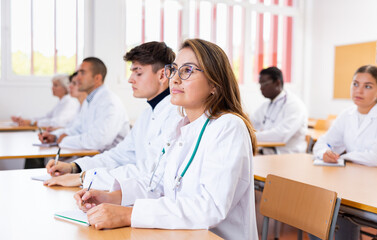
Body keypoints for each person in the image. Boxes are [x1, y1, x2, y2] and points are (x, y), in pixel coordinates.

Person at [73, 39, 258, 240]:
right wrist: (111, 197)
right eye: (174, 70)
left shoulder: (228, 127)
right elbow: (158, 185)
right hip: (177, 233)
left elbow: (209, 207)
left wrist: (129, 214)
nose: (175, 79)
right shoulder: (180, 127)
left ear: (214, 83)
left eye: (187, 70)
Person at [43, 42, 179, 189]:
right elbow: (120, 155)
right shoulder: (147, 114)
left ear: (162, 75)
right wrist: (75, 167)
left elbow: (149, 173)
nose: (130, 79)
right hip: (128, 185)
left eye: (138, 72)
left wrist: (84, 178)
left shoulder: (175, 115)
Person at [312, 65, 377, 240]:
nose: (359, 90)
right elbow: (320, 143)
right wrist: (326, 151)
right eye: (355, 84)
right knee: (318, 210)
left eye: (368, 86)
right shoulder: (347, 114)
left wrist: (342, 157)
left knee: (337, 208)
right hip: (359, 182)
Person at [39, 57, 130, 152]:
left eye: (82, 73)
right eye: (78, 73)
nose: (77, 77)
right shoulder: (89, 100)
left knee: (55, 163)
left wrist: (63, 140)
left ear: (97, 78)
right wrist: (55, 136)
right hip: (92, 156)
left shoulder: (109, 103)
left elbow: (97, 141)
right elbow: (77, 129)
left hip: (110, 162)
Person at [251, 67, 307, 154]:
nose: (261, 88)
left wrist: (252, 136)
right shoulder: (267, 105)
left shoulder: (294, 105)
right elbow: (251, 122)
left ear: (277, 83)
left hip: (287, 155)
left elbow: (280, 136)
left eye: (264, 84)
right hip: (267, 152)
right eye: (260, 84)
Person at [11, 74, 79, 128]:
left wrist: (32, 123)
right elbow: (46, 117)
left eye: (55, 85)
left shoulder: (70, 102)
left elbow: (58, 123)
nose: (52, 88)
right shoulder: (62, 101)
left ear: (65, 87)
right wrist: (26, 120)